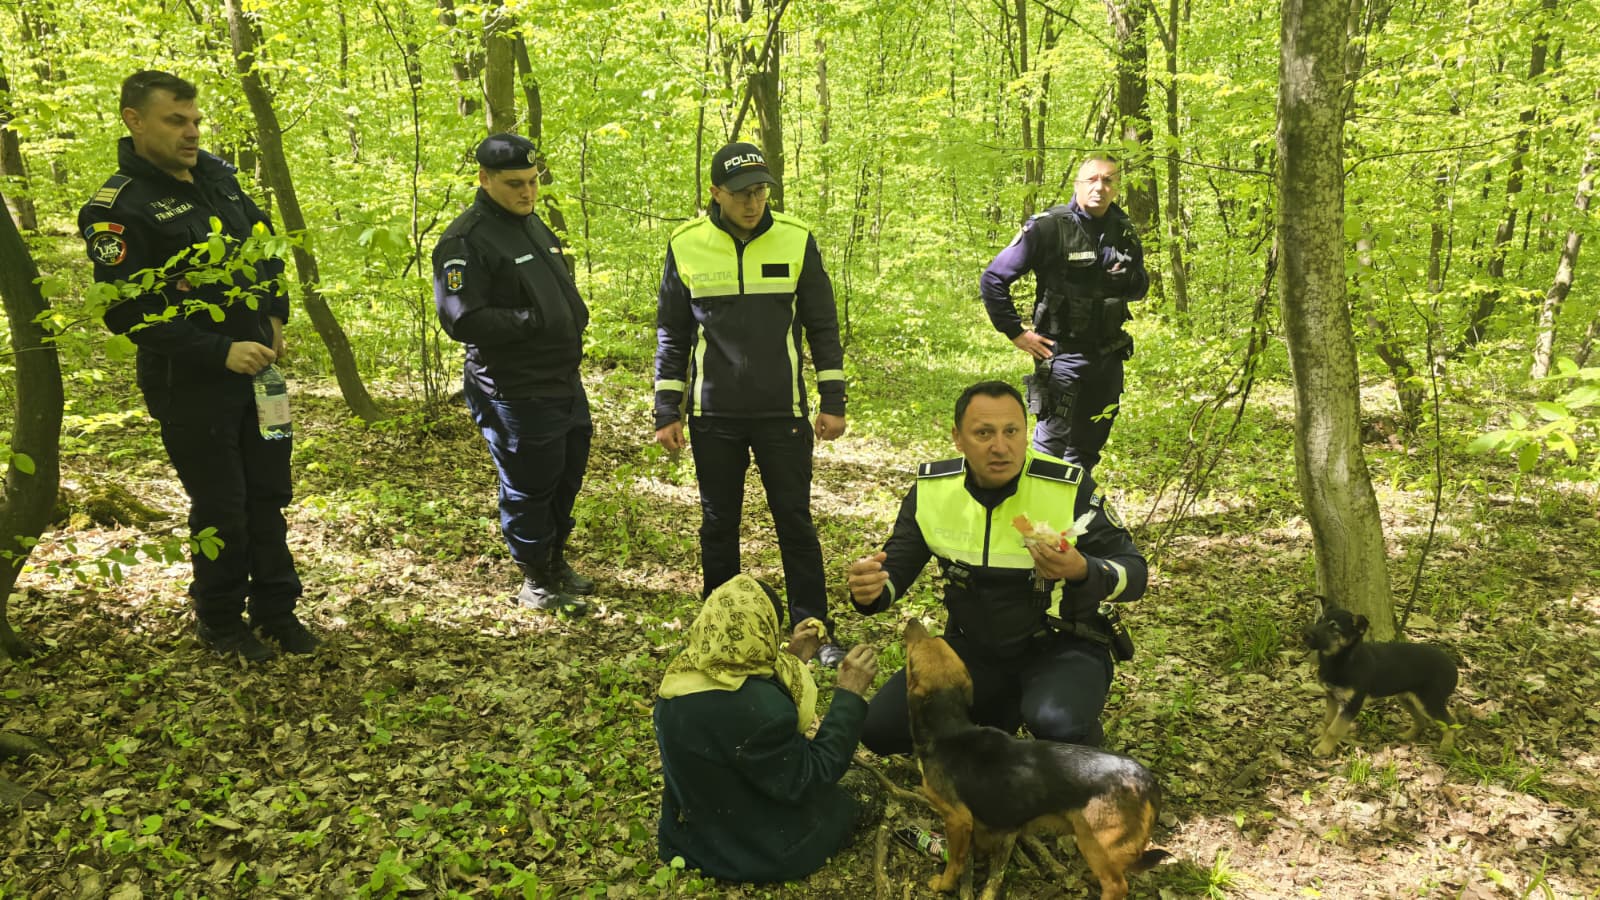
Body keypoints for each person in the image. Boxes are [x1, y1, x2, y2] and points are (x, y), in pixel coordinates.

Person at [78, 70, 317, 661]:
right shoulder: (119, 208)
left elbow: (266, 251)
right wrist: (219, 350)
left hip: (262, 377)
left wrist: (275, 318)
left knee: (269, 496)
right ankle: (220, 619)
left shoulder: (220, 180)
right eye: (175, 121)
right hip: (191, 385)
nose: (191, 132)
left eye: (195, 121)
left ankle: (277, 610)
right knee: (223, 508)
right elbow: (125, 311)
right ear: (134, 121)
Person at [845, 380, 1147, 755]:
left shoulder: (1067, 487)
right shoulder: (934, 490)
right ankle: (998, 713)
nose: (1000, 447)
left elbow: (1135, 573)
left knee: (1055, 721)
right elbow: (894, 570)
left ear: (1026, 431)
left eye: (1011, 431)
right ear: (958, 438)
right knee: (879, 729)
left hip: (1061, 645)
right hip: (975, 649)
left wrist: (1082, 569)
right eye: (984, 433)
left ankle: (1073, 737)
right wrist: (870, 590)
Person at [653, 141, 849, 665]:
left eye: (760, 190)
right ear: (715, 192)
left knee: (795, 521)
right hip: (712, 415)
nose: (752, 202)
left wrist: (833, 399)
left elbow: (822, 326)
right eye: (741, 193)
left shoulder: (796, 238)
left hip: (782, 413)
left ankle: (813, 629)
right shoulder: (686, 244)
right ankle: (719, 627)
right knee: (719, 524)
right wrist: (667, 410)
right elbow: (672, 334)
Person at [433, 133, 594, 615]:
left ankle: (555, 560)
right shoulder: (466, 239)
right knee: (529, 485)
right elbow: (461, 318)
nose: (527, 192)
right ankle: (535, 578)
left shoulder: (532, 224)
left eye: (532, 181)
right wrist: (535, 321)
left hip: (562, 379)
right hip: (513, 387)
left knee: (567, 475)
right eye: (515, 184)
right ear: (485, 179)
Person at [654, 574, 879, 883]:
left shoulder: (677, 680)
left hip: (692, 839)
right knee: (862, 788)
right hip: (758, 853)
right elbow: (811, 776)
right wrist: (849, 695)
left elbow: (742, 695)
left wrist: (793, 658)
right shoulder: (763, 712)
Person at [979, 154, 1148, 475]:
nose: (1100, 187)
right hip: (1060, 356)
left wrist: (1126, 277)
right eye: (1092, 179)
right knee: (1051, 446)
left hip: (1109, 357)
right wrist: (1016, 333)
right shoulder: (1048, 227)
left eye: (1108, 180)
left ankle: (1071, 503)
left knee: (1087, 447)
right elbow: (993, 279)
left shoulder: (1124, 231)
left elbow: (1140, 289)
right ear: (1077, 184)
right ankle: (1038, 505)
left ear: (1116, 187)